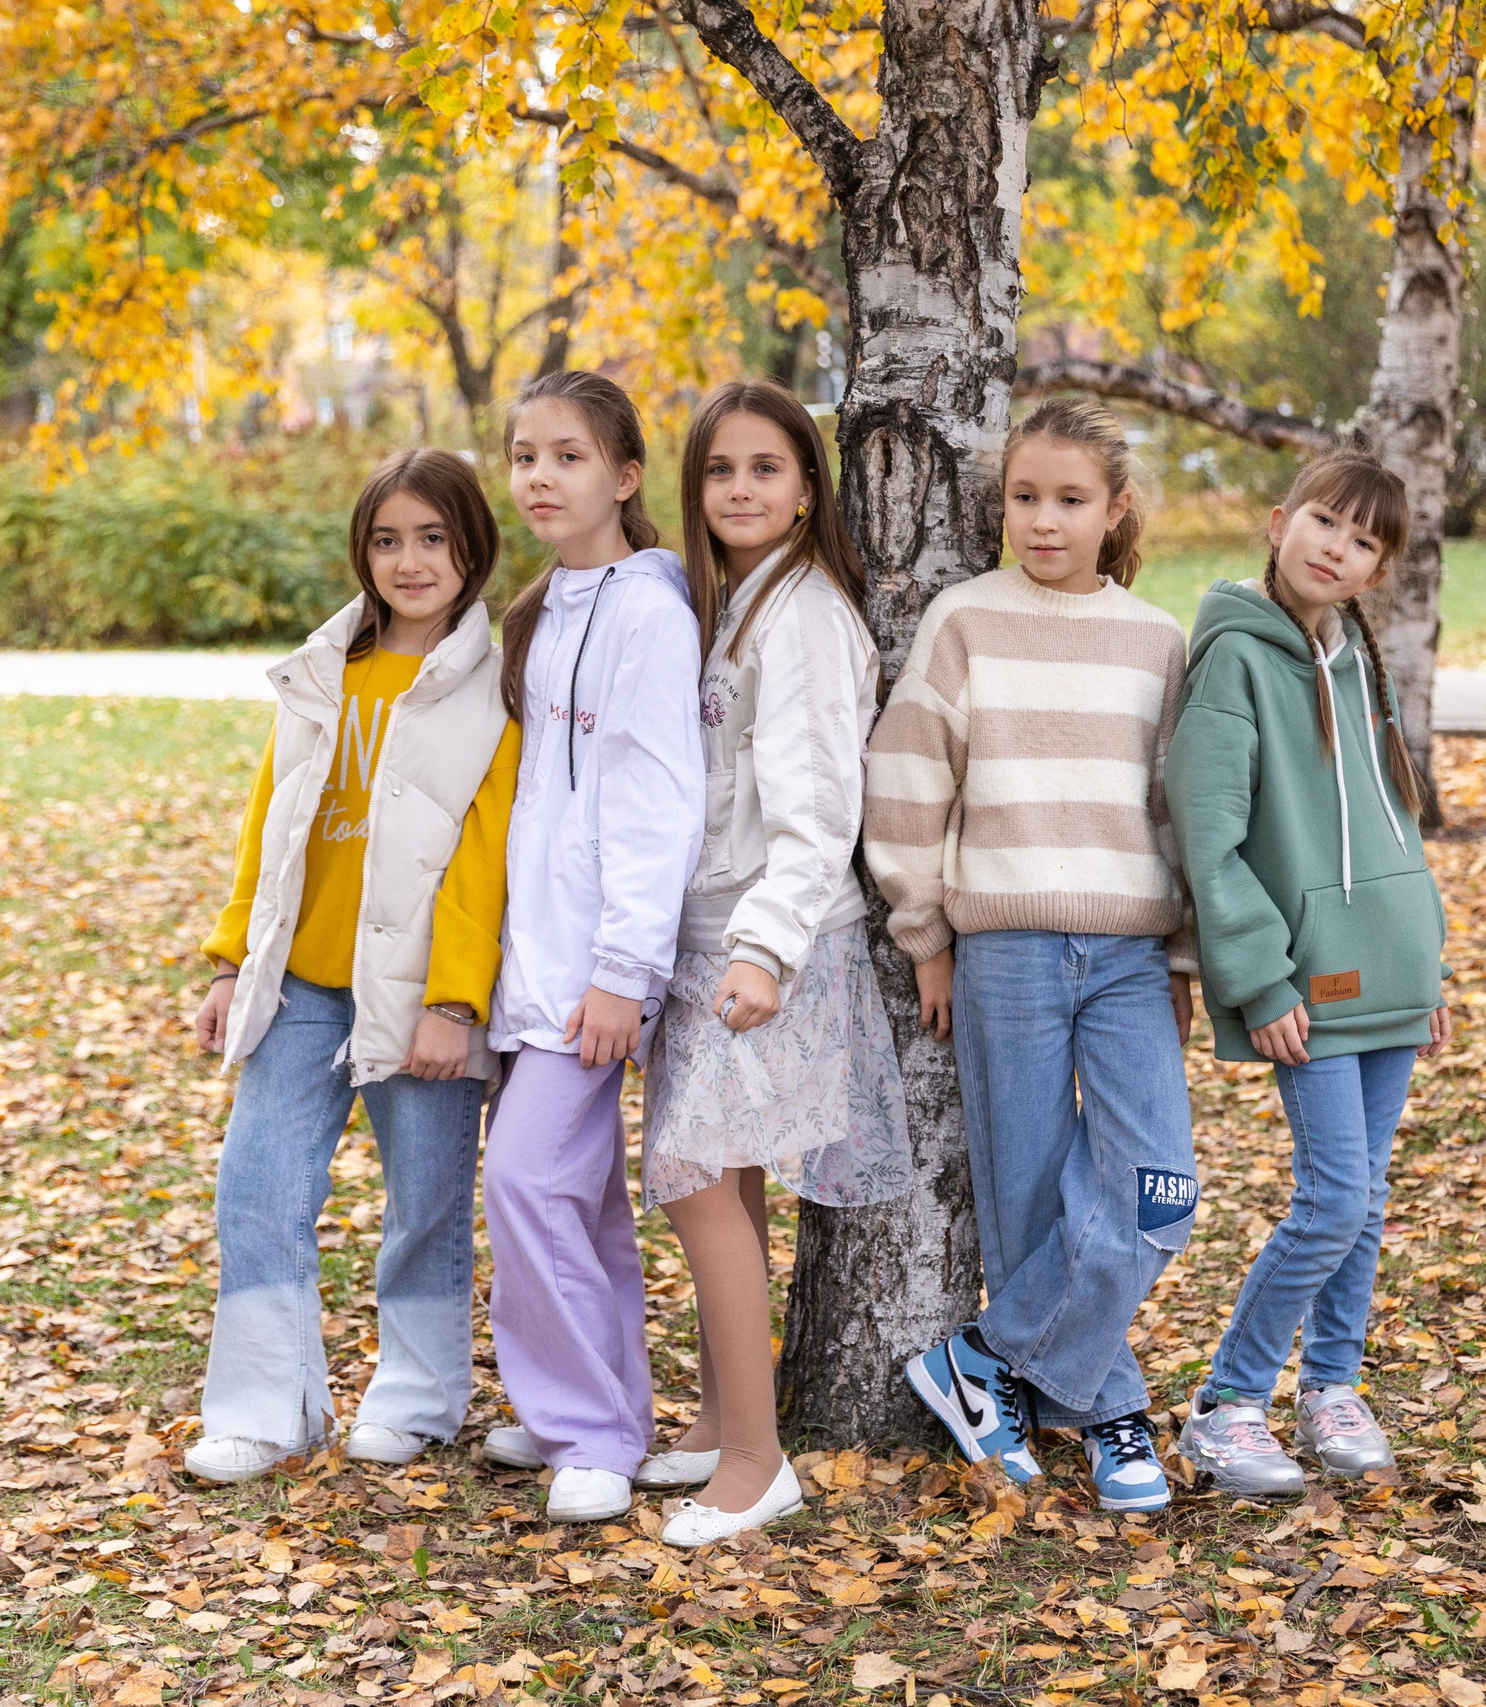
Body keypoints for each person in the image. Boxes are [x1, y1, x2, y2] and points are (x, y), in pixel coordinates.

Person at [867, 397, 1198, 1515]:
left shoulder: (1156, 638)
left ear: (1115, 510)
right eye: (1024, 498)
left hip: (1127, 955)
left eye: (1069, 499)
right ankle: (1105, 1410)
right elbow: (909, 773)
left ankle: (981, 1356)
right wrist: (923, 934)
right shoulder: (965, 619)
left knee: (1157, 1191)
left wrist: (1185, 958)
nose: (1043, 521)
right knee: (1026, 1197)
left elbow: (1179, 809)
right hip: (1001, 946)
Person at [185, 448, 517, 1484]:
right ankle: (265, 1407)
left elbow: (487, 858)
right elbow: (269, 823)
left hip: (419, 995)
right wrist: (232, 959)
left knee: (425, 1202)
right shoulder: (322, 668)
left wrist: (455, 1001)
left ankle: (416, 1396)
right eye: (387, 540)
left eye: (433, 538)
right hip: (301, 985)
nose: (410, 561)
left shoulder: (495, 685)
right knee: (257, 1185)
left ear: (472, 547)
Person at [638, 378, 914, 1547]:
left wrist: (762, 951)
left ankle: (758, 1465)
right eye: (719, 469)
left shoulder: (799, 613)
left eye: (765, 468)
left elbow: (817, 811)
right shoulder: (728, 605)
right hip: (708, 935)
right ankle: (721, 1422)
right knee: (729, 1179)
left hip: (775, 945)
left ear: (808, 488)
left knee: (694, 1172)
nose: (740, 488)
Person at [1163, 449, 1452, 1497]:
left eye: (1364, 540)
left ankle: (1331, 1388)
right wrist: (1260, 975)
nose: (1337, 547)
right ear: (1280, 519)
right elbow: (1208, 835)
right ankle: (1226, 1404)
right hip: (1306, 978)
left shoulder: (1355, 658)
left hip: (1387, 969)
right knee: (1332, 1197)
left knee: (1364, 1199)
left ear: (1378, 569)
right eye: (1326, 521)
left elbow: (1388, 819)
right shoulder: (1234, 659)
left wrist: (1424, 968)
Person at [472, 370, 705, 1524]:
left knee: (523, 1182)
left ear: (623, 477)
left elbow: (658, 802)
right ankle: (598, 1403)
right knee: (580, 1201)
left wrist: (623, 972)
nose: (540, 477)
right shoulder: (541, 609)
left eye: (568, 457)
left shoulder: (650, 614)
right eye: (525, 456)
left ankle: (592, 1433)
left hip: (594, 974)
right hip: (534, 963)